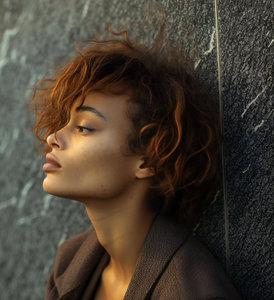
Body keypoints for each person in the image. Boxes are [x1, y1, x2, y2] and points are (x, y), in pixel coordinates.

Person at [30, 28, 242, 300]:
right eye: (64, 123)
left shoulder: (192, 290)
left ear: (149, 159)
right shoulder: (71, 264)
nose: (53, 137)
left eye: (83, 127)